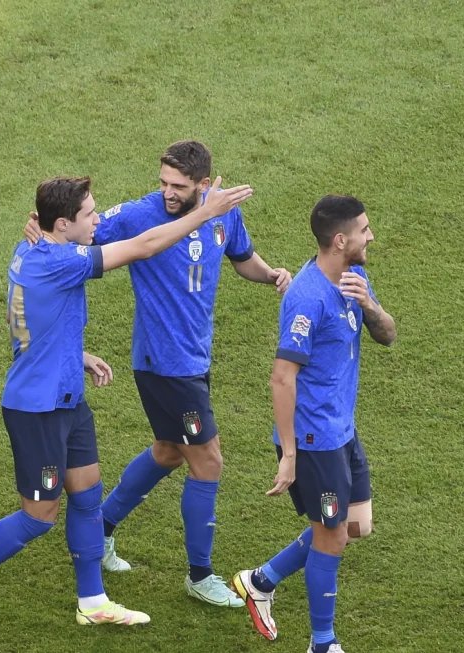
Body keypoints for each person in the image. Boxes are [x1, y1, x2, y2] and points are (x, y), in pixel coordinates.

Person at [0, 174, 254, 640]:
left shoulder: (33, 249)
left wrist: (74, 354)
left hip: (67, 399)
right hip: (37, 410)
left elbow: (26, 318)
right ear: (62, 224)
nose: (98, 219)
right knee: (37, 518)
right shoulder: (59, 260)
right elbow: (142, 246)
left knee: (86, 497)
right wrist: (205, 214)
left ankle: (93, 601)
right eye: (90, 214)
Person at [23, 140, 291, 607]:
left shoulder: (223, 213)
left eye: (179, 186)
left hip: (194, 359)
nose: (168, 192)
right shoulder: (139, 215)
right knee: (208, 461)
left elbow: (241, 256)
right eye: (163, 182)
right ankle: (200, 575)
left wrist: (270, 274)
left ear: (203, 185)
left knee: (169, 452)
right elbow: (77, 232)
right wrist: (40, 231)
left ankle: (102, 528)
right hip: (163, 365)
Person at [230, 195, 397, 652]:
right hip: (313, 438)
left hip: (342, 429)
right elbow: (282, 378)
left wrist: (369, 306)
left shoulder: (353, 277)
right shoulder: (306, 299)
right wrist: (289, 454)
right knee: (333, 535)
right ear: (340, 240)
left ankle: (260, 581)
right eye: (364, 230)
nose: (371, 236)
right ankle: (322, 644)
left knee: (356, 525)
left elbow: (388, 335)